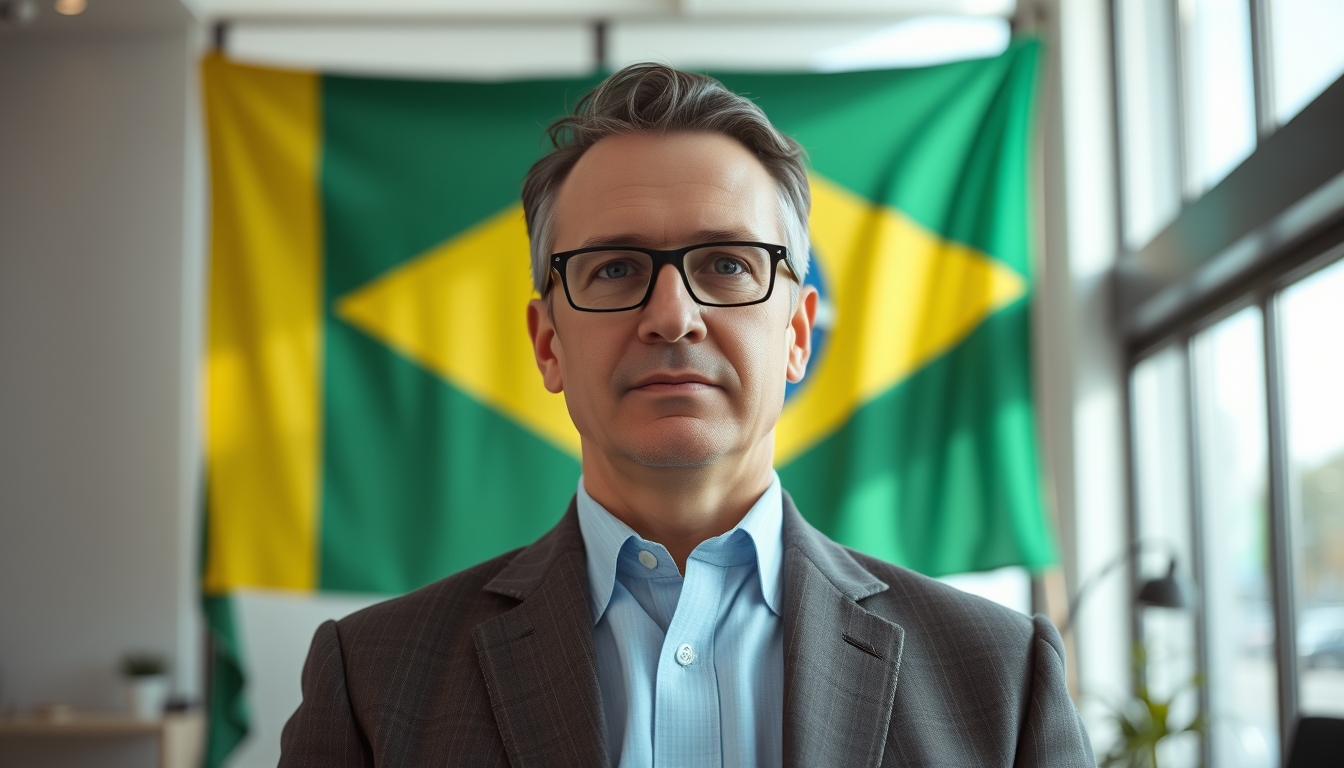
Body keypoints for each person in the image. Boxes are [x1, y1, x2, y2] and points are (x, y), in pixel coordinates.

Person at [279, 63, 1094, 768]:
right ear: (548, 342)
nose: (673, 316)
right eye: (614, 268)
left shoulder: (999, 678)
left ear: (799, 334)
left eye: (728, 264)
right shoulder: (374, 682)